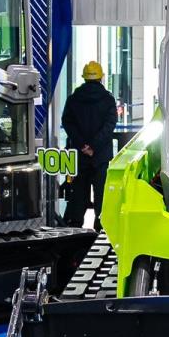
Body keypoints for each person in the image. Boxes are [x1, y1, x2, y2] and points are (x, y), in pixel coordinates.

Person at [60, 60, 118, 228]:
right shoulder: (108, 99)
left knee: (78, 194)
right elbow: (109, 126)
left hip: (79, 156)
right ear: (101, 78)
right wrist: (93, 146)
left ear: (84, 78)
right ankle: (100, 226)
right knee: (101, 193)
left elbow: (67, 122)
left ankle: (75, 226)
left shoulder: (74, 99)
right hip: (100, 155)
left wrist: (82, 145)